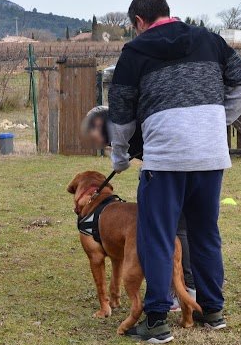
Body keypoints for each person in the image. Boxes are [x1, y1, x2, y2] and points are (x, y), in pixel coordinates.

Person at [108, 0, 241, 343]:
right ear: (167, 12)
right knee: (205, 231)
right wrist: (217, 120)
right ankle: (213, 310)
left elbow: (121, 110)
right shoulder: (210, 40)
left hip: (165, 158)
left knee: (157, 235)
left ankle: (157, 319)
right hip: (209, 155)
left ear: (139, 22)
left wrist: (120, 156)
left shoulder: (135, 51)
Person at [81, 106, 196, 310]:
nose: (95, 140)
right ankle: (191, 289)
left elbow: (123, 160)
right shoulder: (137, 125)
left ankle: (185, 290)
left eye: (92, 132)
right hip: (190, 161)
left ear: (101, 124)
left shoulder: (126, 127)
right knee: (183, 227)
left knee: (176, 228)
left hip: (173, 167)